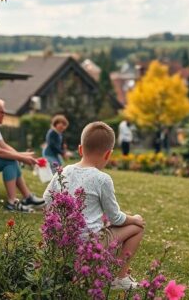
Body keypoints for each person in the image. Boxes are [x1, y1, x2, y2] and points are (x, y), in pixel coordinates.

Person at [43, 121, 145, 291]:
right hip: (88, 246)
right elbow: (116, 218)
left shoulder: (64, 171)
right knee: (137, 227)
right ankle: (119, 278)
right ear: (108, 154)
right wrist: (134, 218)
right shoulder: (102, 179)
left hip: (61, 242)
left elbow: (47, 199)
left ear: (80, 149)